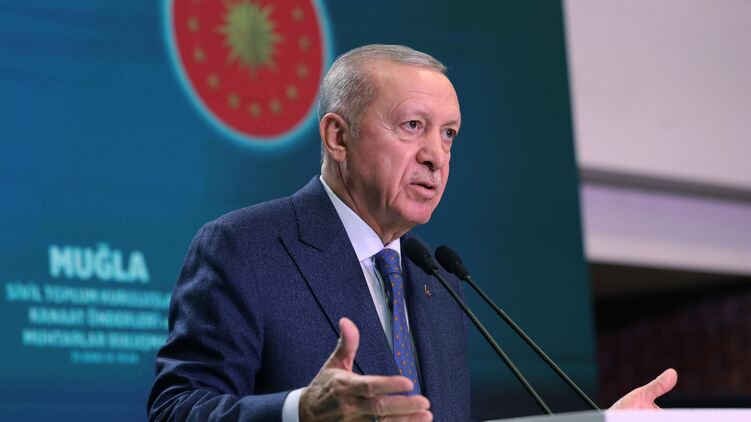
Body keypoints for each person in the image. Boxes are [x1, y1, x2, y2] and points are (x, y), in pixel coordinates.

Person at [148, 44, 677, 421]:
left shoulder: (436, 283)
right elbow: (177, 408)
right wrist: (299, 411)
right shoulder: (245, 248)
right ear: (338, 137)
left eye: (448, 134)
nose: (436, 156)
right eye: (412, 126)